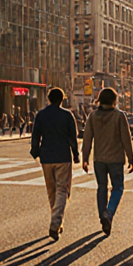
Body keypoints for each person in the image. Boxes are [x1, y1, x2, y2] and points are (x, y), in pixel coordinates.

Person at [81, 87, 133, 236]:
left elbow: (87, 139)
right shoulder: (119, 116)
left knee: (102, 188)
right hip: (116, 159)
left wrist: (85, 158)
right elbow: (126, 139)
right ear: (114, 100)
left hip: (99, 159)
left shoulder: (93, 116)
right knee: (117, 188)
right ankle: (109, 213)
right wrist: (131, 158)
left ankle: (102, 216)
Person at [30, 87, 79, 241]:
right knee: (62, 190)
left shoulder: (41, 115)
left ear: (49, 99)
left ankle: (57, 221)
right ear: (62, 100)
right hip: (63, 156)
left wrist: (35, 151)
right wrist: (75, 154)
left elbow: (36, 134)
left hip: (46, 157)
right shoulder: (67, 115)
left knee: (52, 190)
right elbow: (73, 136)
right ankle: (55, 222)